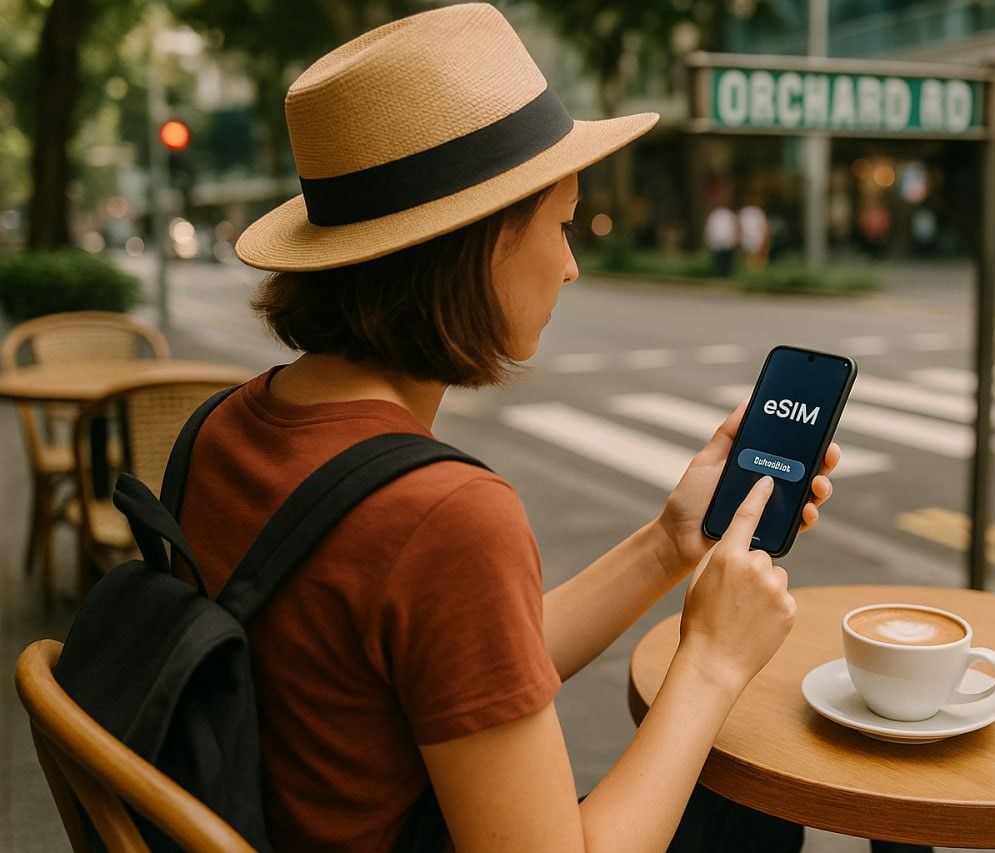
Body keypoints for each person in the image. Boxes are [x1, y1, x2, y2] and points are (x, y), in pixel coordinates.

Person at [183, 6, 841, 852]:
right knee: (750, 791)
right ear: (474, 244)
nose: (571, 263)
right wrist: (713, 660)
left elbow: (463, 663)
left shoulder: (225, 425)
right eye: (562, 224)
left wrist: (670, 542)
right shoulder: (439, 515)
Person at [705, 193, 738, 278]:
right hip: (718, 243)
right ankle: (719, 276)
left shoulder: (728, 214)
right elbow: (710, 229)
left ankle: (725, 276)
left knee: (726, 262)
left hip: (727, 242)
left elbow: (735, 227)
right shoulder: (714, 214)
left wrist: (734, 239)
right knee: (719, 261)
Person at [738, 201, 771, 270]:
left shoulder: (757, 212)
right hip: (748, 242)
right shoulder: (744, 212)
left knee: (757, 261)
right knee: (750, 260)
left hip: (756, 241)